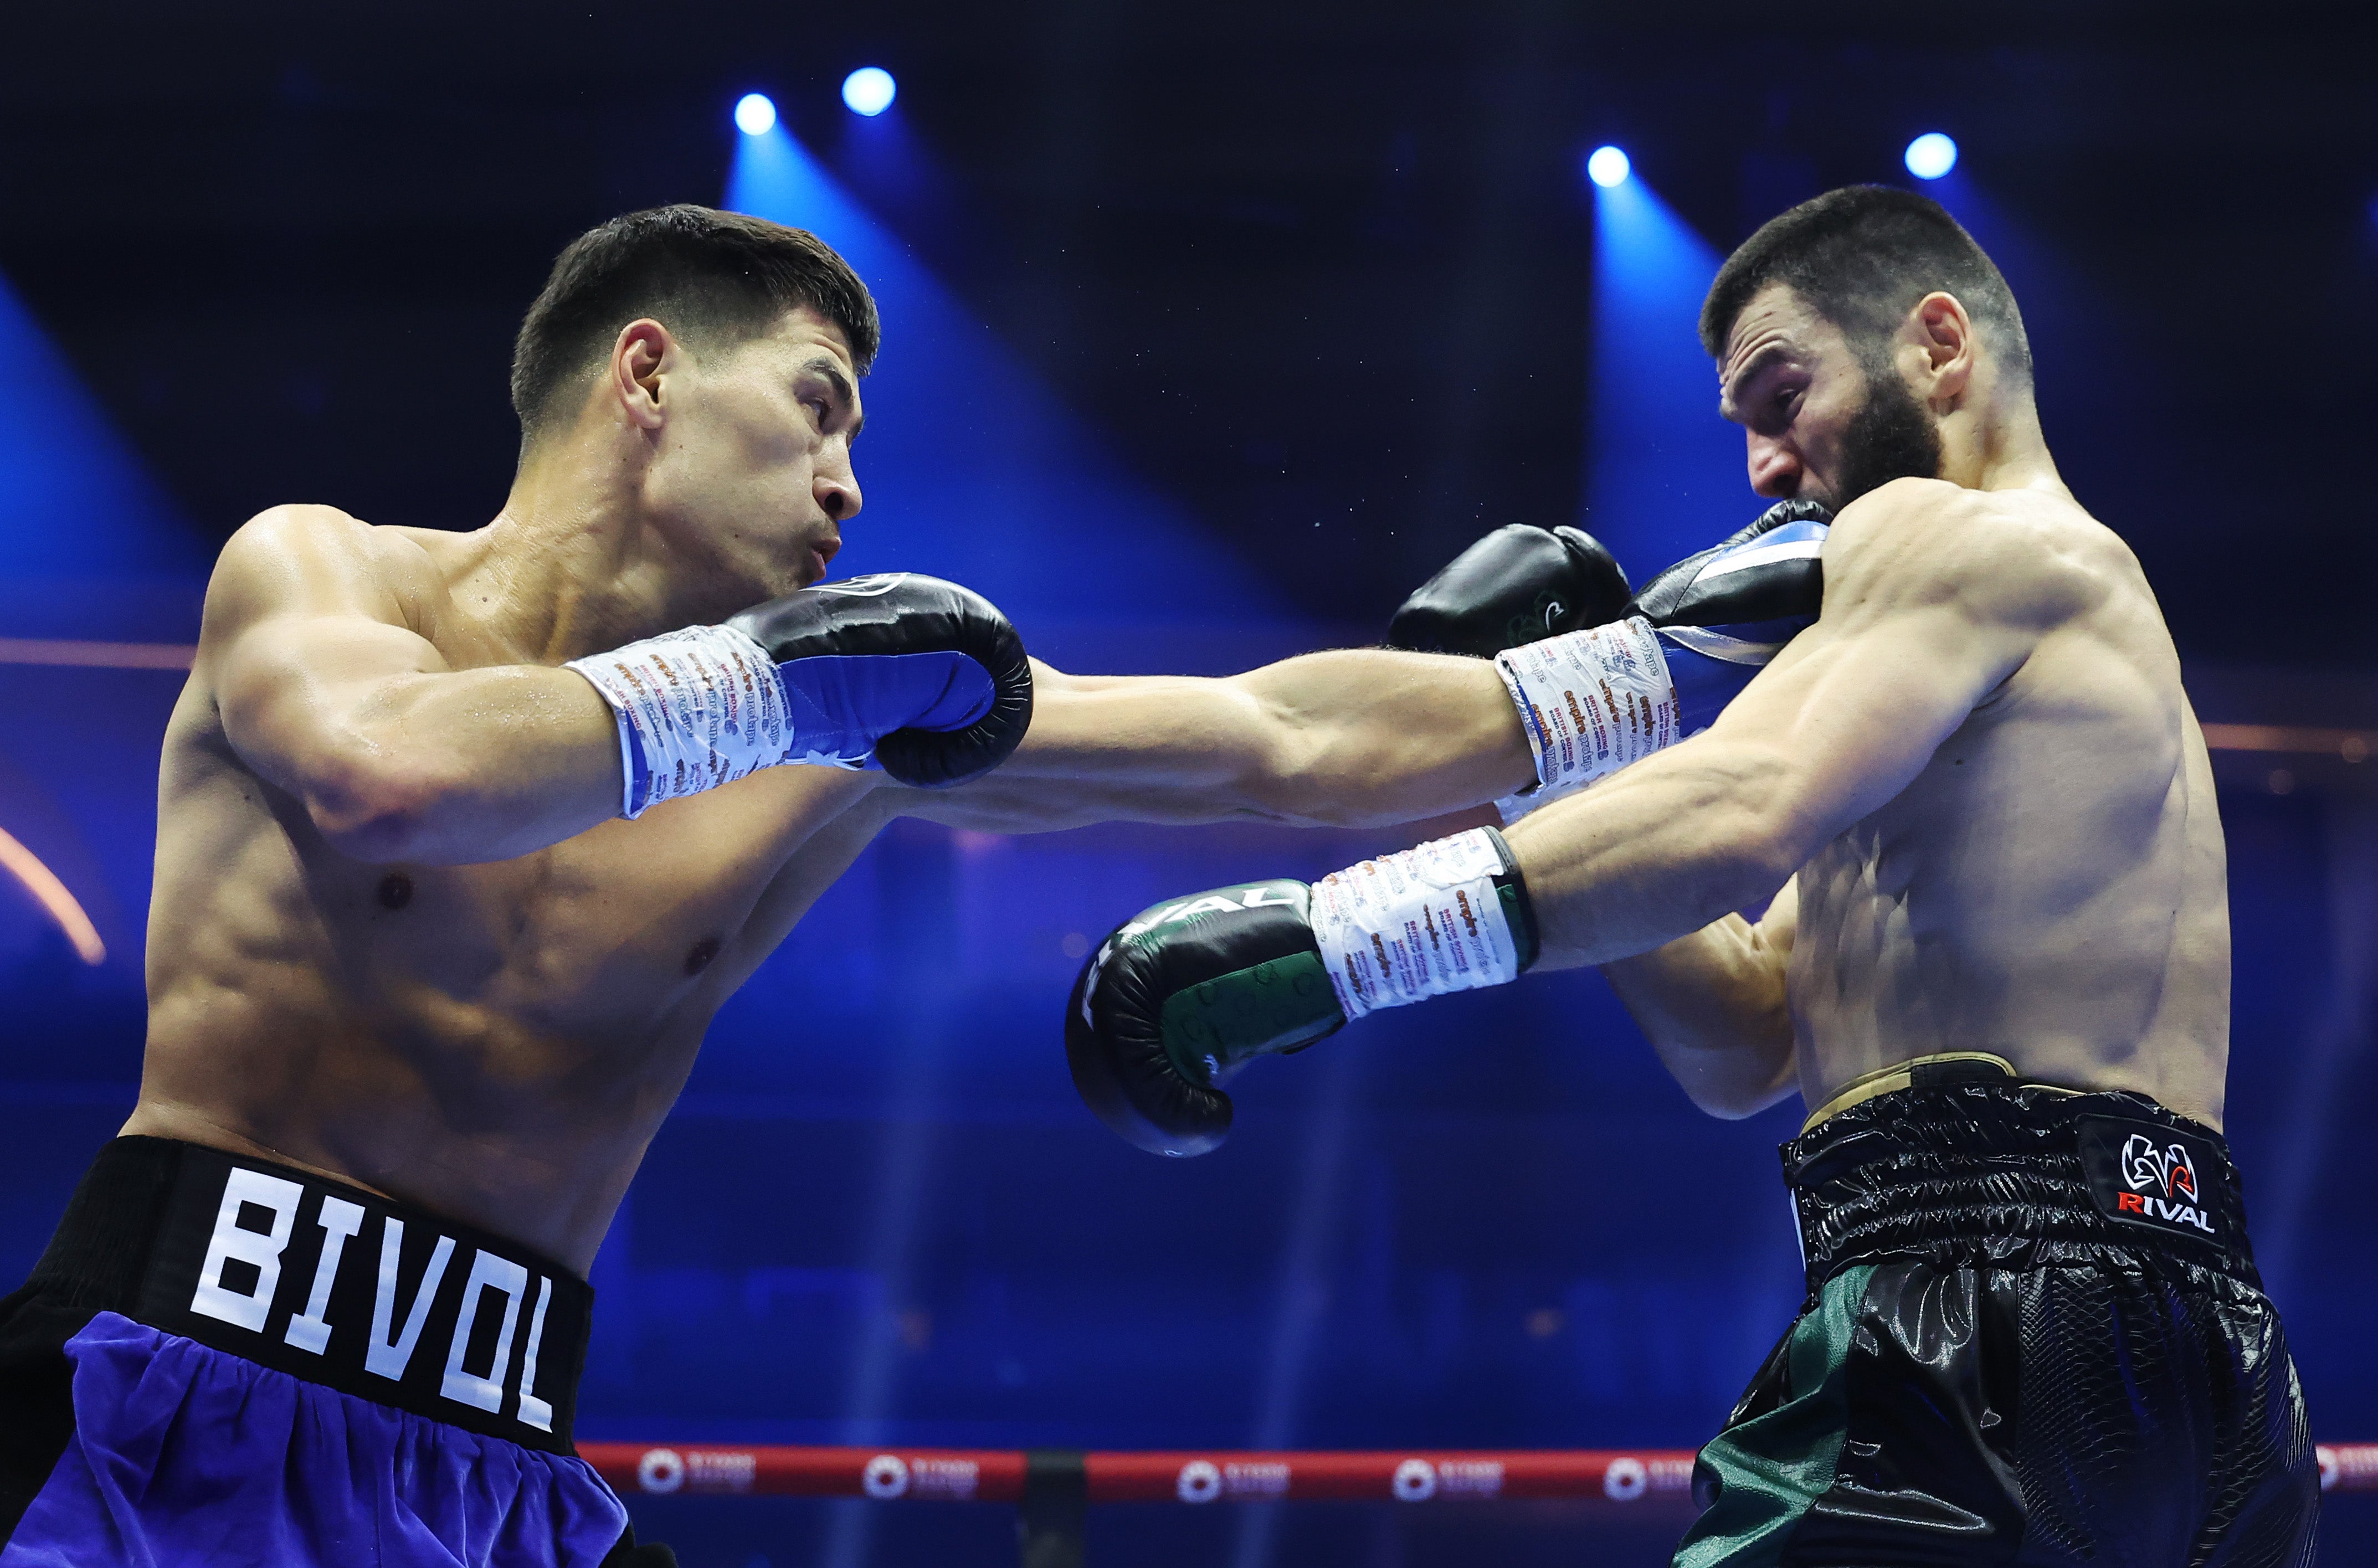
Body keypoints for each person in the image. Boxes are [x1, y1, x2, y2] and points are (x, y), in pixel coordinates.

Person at [0, 201, 1766, 1567]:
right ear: (646, 378)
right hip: (152, 1396)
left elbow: (1272, 738)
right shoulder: (328, 579)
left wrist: (1636, 672)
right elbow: (391, 780)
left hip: (495, 1468)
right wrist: (782, 680)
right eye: (816, 408)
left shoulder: (837, 731)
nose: (849, 482)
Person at [1067, 186, 2317, 1565]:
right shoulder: (2013, 654)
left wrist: (1331, 944)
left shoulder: (1961, 538)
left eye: (1784, 397)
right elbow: (1742, 1034)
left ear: (1938, 347)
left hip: (1982, 1306)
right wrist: (1559, 773)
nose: (1765, 472)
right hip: (2193, 1333)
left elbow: (1741, 800)